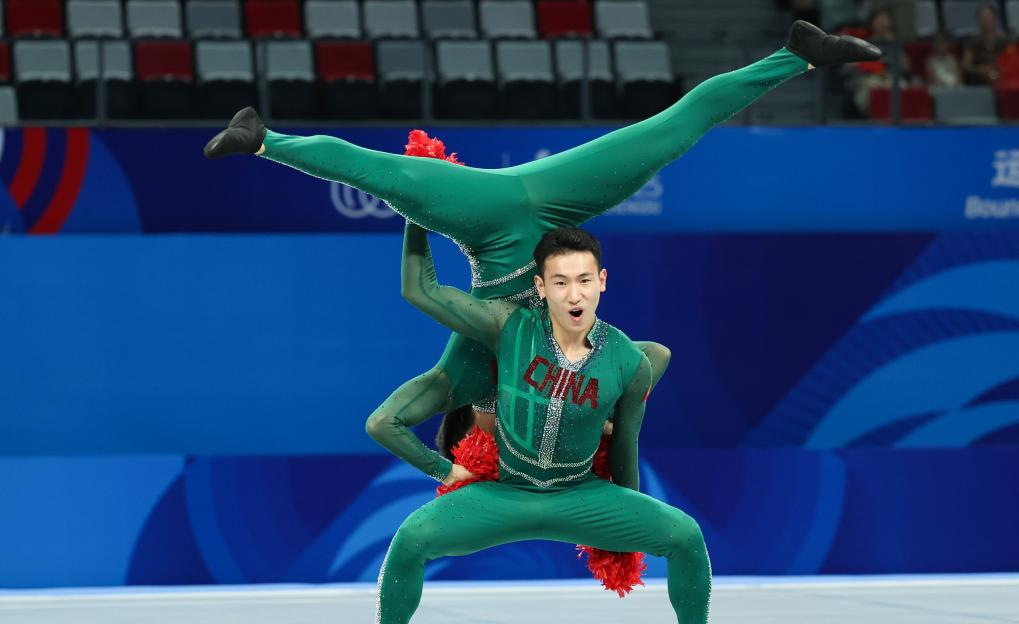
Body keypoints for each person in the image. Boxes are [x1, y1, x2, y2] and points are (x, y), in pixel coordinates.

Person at [203, 22, 881, 487]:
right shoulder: (548, 376)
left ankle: (263, 139)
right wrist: (616, 424)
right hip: (555, 209)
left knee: (385, 176)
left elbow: (383, 421)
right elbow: (650, 356)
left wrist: (445, 473)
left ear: (465, 429)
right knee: (668, 135)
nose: (500, 431)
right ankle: (798, 55)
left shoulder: (460, 377)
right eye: (496, 443)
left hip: (489, 221)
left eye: (483, 438)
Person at [339, 225, 737, 624]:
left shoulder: (629, 362)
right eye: (561, 282)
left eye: (584, 280)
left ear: (602, 281)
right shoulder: (509, 326)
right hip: (506, 494)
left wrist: (624, 530)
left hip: (581, 496)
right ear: (541, 286)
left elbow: (626, 447)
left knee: (686, 536)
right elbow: (423, 290)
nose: (575, 294)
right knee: (410, 538)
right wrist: (415, 216)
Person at [962, 3, 1009, 86]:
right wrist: (979, 69)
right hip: (980, 81)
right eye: (982, 18)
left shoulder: (1006, 41)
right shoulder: (973, 42)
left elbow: (1013, 62)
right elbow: (966, 65)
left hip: (1004, 79)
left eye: (988, 17)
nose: (985, 21)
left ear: (995, 19)